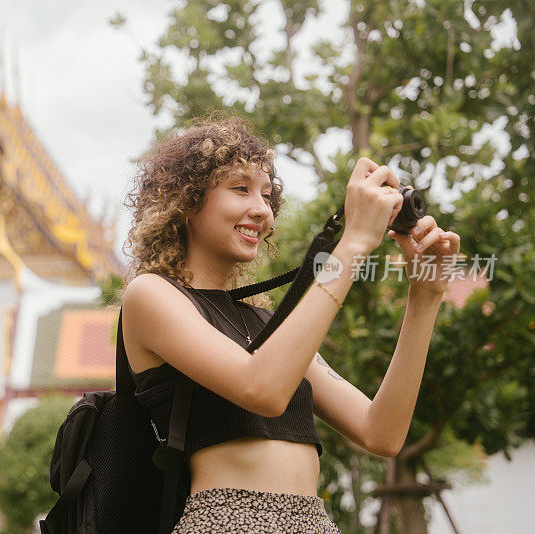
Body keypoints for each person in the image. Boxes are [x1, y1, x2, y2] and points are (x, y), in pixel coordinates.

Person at [120, 112, 461, 533]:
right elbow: (261, 389)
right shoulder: (151, 296)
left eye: (267, 196)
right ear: (186, 202)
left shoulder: (267, 322)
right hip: (224, 521)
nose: (261, 210)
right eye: (240, 189)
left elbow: (381, 433)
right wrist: (352, 242)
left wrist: (425, 296)